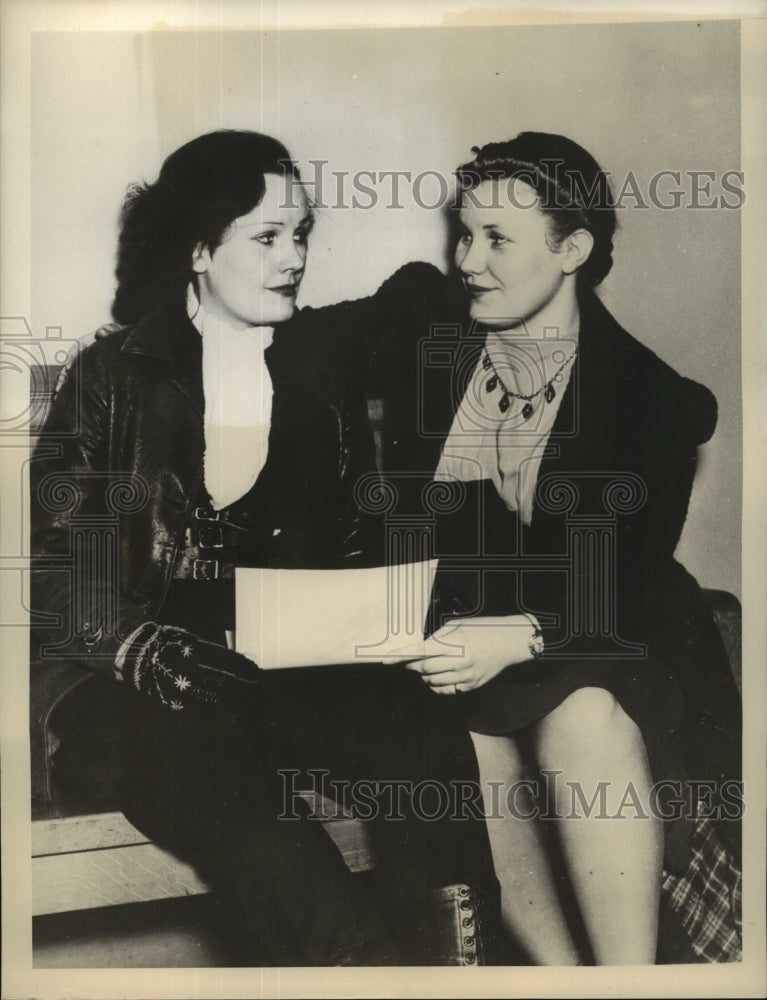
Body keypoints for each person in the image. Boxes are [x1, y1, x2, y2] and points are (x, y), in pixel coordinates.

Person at [29, 129, 499, 966]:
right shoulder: (110, 375)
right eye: (269, 237)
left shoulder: (316, 368)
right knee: (231, 788)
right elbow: (65, 568)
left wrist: (406, 609)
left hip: (272, 662)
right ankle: (362, 969)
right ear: (201, 250)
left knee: (419, 731)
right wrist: (136, 648)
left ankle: (463, 970)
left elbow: (360, 532)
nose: (294, 259)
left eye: (302, 236)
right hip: (132, 683)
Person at [348, 132, 742, 965]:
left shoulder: (650, 400)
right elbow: (314, 338)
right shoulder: (435, 341)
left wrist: (516, 636)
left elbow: (625, 585)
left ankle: (628, 976)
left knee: (581, 712)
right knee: (463, 730)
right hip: (470, 634)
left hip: (610, 634)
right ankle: (561, 980)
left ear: (572, 249)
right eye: (464, 232)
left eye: (498, 240)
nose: (468, 260)